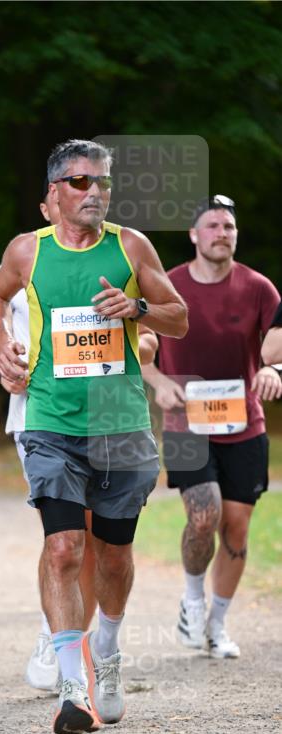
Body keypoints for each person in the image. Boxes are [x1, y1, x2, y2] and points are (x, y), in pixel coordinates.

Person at [0, 138, 188, 734]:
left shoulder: (131, 246)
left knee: (116, 553)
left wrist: (137, 307)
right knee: (65, 549)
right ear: (53, 192)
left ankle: (110, 649)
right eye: (79, 182)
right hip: (50, 422)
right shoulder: (27, 251)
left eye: (101, 182)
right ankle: (74, 688)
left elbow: (179, 315)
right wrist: (5, 348)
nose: (94, 191)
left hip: (120, 423)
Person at [0, 178, 158, 693]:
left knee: (102, 541)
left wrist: (144, 338)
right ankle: (54, 640)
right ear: (47, 204)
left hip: (110, 410)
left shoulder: (117, 253)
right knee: (65, 542)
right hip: (42, 409)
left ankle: (88, 643)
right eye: (66, 193)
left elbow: (150, 328)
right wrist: (0, 363)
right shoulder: (26, 256)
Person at [142, 195, 281, 658]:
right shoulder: (169, 286)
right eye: (213, 225)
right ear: (194, 235)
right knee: (205, 516)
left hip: (245, 423)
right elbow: (137, 347)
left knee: (237, 530)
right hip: (186, 423)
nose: (222, 233)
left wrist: (274, 371)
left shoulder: (259, 288)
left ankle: (217, 626)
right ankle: (193, 599)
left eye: (229, 226)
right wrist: (158, 381)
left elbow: (278, 348)